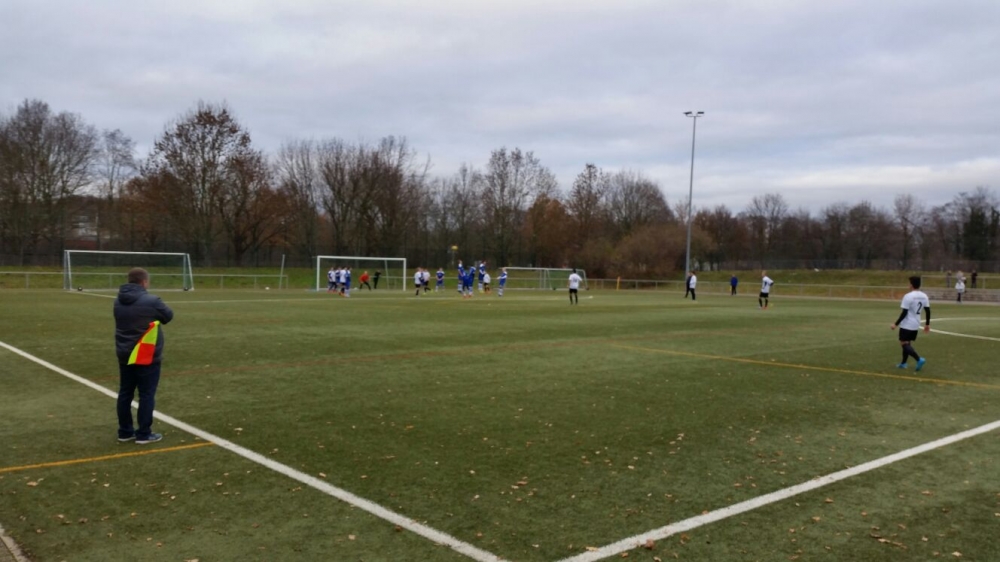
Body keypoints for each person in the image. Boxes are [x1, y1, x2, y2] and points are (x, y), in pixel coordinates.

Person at [114, 267, 174, 445]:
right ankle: (144, 433)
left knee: (125, 392)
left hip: (124, 352)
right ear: (144, 282)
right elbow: (168, 316)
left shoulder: (118, 301)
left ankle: (125, 431)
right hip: (146, 353)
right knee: (146, 394)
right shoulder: (152, 301)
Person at [890, 275, 930, 371]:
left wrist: (895, 324)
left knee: (903, 343)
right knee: (907, 343)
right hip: (916, 323)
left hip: (907, 324)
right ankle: (903, 363)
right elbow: (928, 311)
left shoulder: (908, 296)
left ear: (911, 285)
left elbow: (904, 312)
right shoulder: (924, 296)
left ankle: (918, 359)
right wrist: (927, 324)